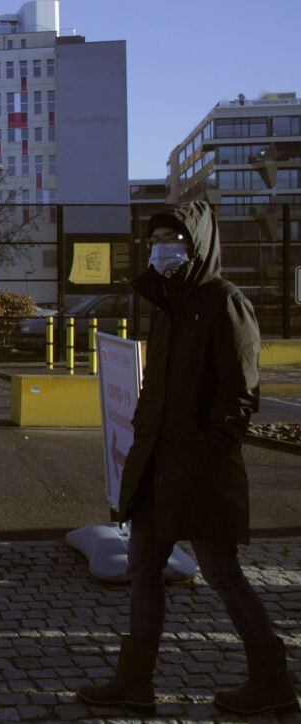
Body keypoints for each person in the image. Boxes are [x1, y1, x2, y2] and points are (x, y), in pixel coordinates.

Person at [76, 202, 298, 716]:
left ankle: (271, 679)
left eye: (172, 236)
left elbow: (240, 396)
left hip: (201, 472)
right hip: (156, 466)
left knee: (222, 573)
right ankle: (134, 682)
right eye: (155, 237)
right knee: (143, 568)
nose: (161, 246)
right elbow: (157, 388)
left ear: (196, 242)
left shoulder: (225, 302)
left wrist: (207, 451)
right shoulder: (169, 304)